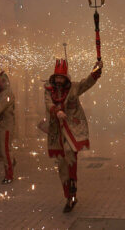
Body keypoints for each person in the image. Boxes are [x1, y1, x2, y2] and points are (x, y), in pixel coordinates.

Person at [44, 58, 103, 213]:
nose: (58, 80)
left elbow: (88, 82)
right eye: (57, 77)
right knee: (61, 167)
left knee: (70, 156)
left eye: (61, 77)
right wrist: (57, 112)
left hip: (72, 130)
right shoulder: (48, 89)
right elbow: (48, 104)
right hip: (57, 132)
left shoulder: (75, 87)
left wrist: (96, 70)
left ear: (66, 78)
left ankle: (72, 192)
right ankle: (68, 195)